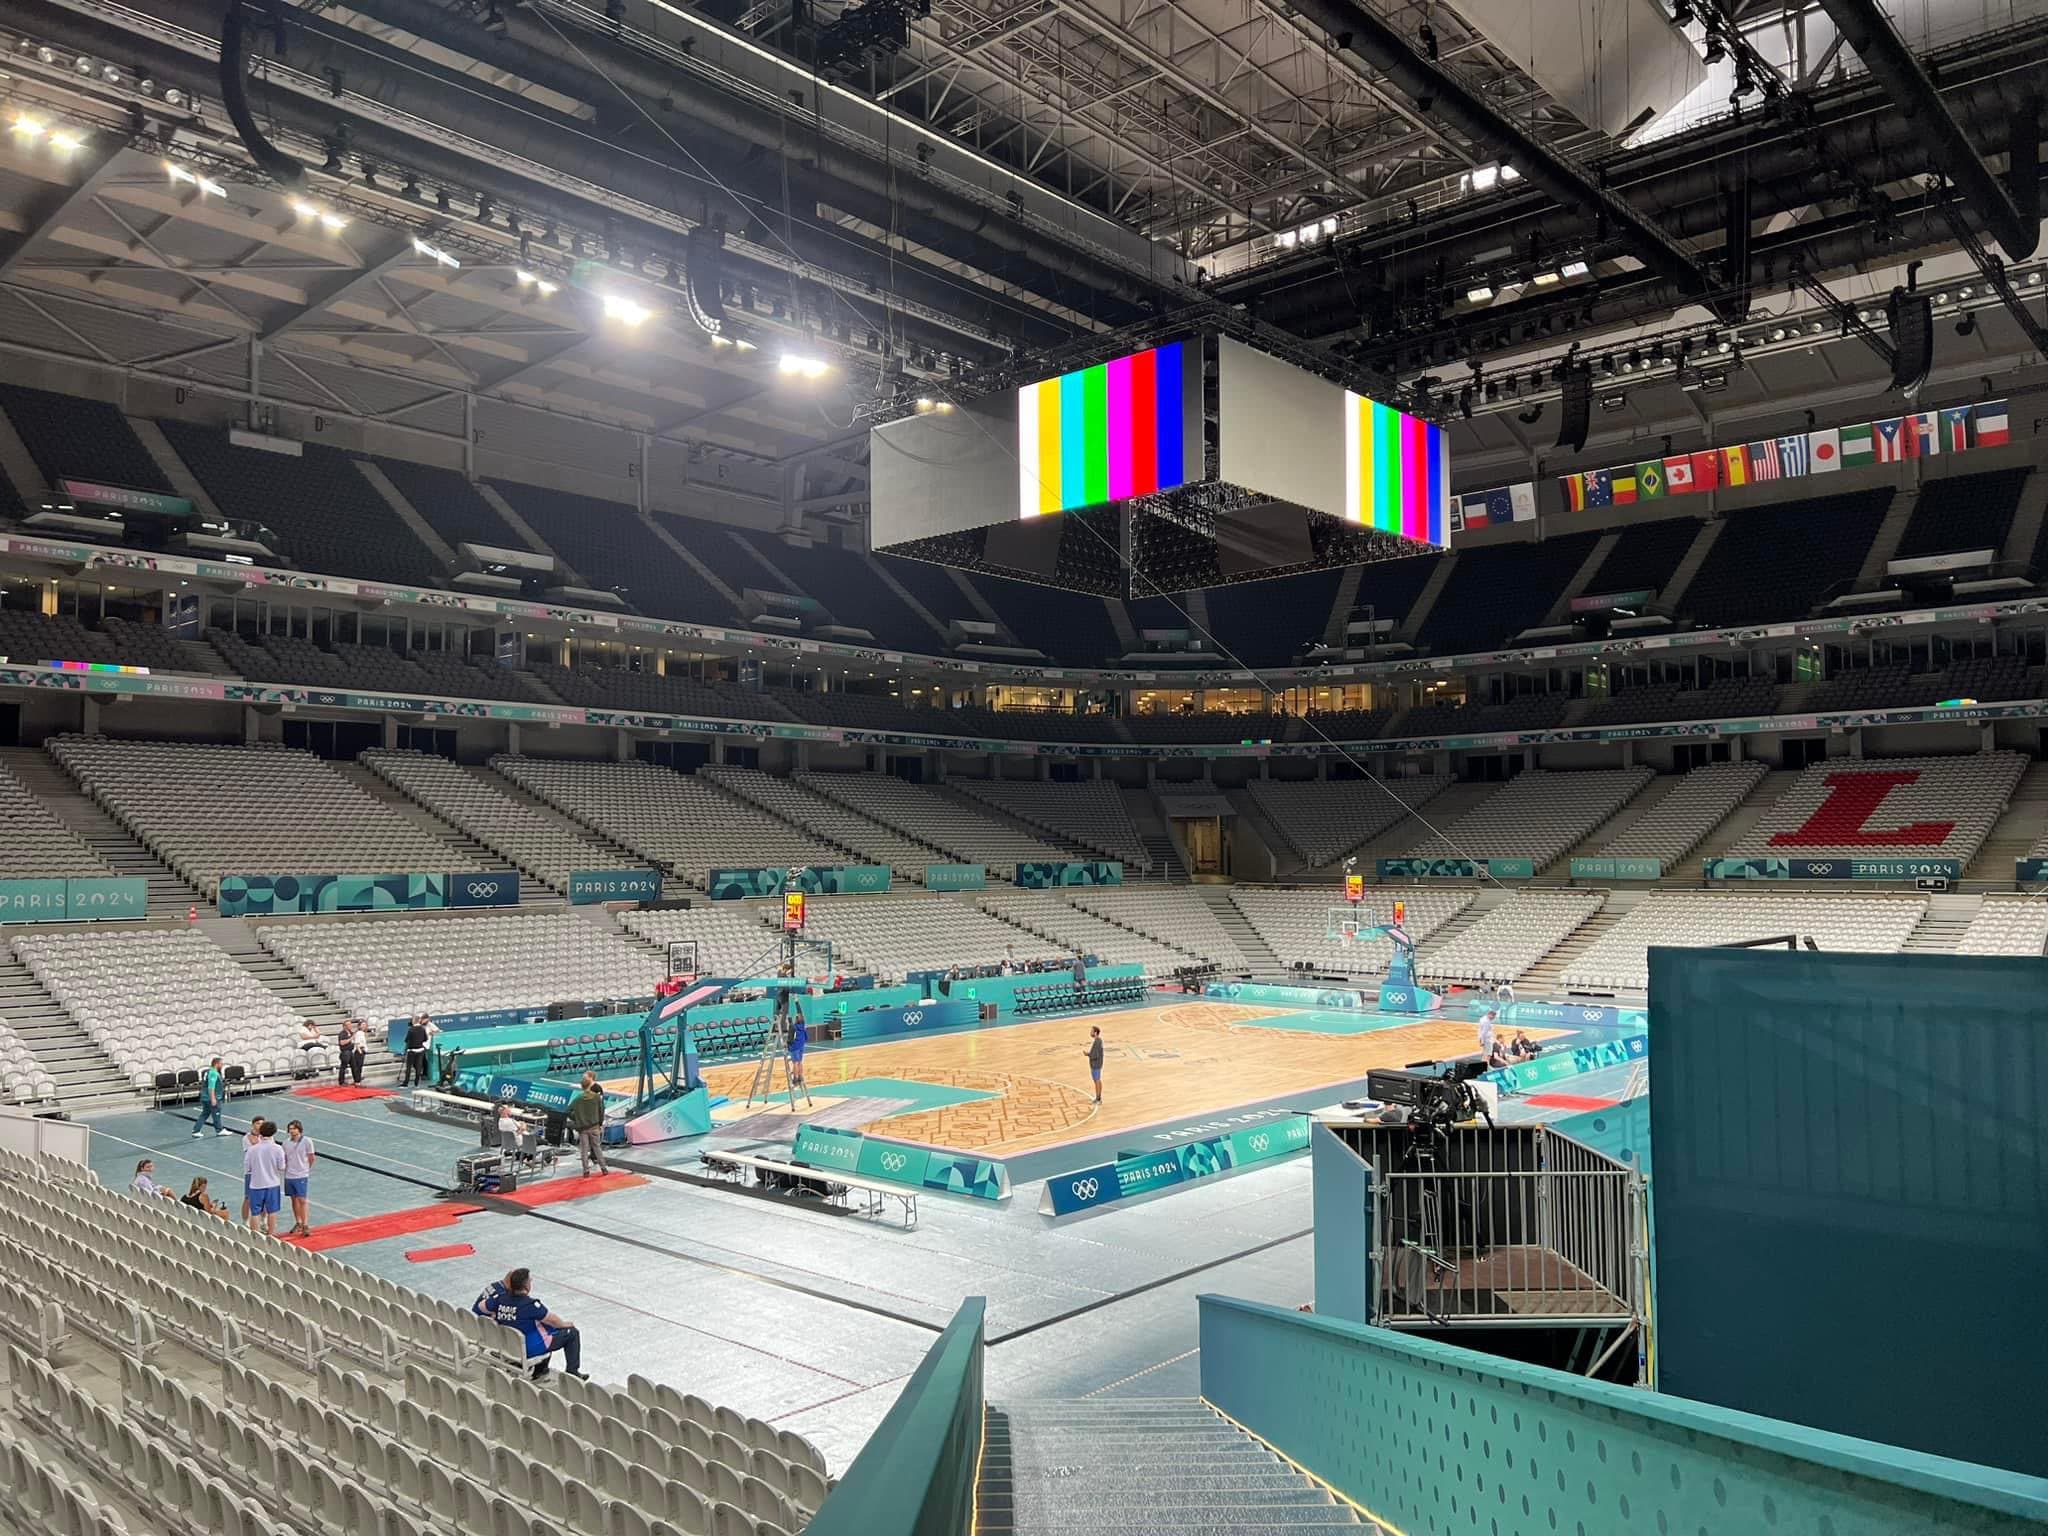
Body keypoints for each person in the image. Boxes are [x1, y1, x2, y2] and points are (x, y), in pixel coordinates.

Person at [473, 1267, 584, 1378]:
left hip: (509, 1346)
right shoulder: (530, 1305)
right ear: (526, 1286)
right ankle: (572, 1372)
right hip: (529, 1349)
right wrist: (564, 1324)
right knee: (571, 1333)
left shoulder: (500, 1299)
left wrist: (496, 1313)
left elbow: (481, 1307)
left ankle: (539, 1369)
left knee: (545, 1329)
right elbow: (552, 1320)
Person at [244, 1119, 287, 1237]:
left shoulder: (252, 1149)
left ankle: (255, 1237)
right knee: (272, 1211)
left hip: (256, 1185)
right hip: (272, 1184)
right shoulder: (277, 1148)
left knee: (255, 1212)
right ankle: (271, 1235)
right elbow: (282, 1167)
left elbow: (248, 1168)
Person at [567, 1075, 608, 1178]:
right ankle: (604, 1168)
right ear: (590, 1085)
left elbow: (568, 1111)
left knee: (584, 1150)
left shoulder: (577, 1099)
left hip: (583, 1128)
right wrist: (600, 1123)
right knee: (597, 1147)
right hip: (594, 1127)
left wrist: (577, 1118)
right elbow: (601, 1111)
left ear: (581, 1087)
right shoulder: (596, 1097)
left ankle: (586, 1171)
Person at [282, 1120, 317, 1237]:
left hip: (301, 1175)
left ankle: (305, 1225)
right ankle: (298, 1222)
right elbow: (285, 1158)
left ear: (299, 1129)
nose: (292, 1131)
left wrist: (305, 1169)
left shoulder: (307, 1141)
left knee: (302, 1200)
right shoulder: (285, 1143)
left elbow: (311, 1157)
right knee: (293, 1200)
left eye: (294, 1128)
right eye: (290, 1129)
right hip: (289, 1175)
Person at [192, 1056, 228, 1137]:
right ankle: (219, 1130)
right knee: (216, 1114)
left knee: (205, 1114)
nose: (222, 1065)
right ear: (216, 1064)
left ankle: (196, 1130)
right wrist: (213, 1098)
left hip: (205, 1097)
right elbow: (211, 1087)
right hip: (211, 1097)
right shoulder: (213, 1073)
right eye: (221, 1064)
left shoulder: (208, 1072)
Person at [401, 1013, 431, 1087]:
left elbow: (406, 1040)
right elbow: (425, 1039)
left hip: (411, 1050)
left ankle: (406, 1083)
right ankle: (416, 1083)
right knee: (418, 1067)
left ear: (414, 1021)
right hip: (420, 1050)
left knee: (409, 1067)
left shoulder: (411, 1029)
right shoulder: (422, 1029)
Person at [336, 1019, 367, 1087]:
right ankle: (341, 1081)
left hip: (351, 1051)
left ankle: (356, 1081)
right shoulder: (342, 1033)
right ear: (344, 1026)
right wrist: (351, 1038)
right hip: (345, 1052)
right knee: (343, 1067)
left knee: (354, 1067)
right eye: (348, 1025)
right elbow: (342, 1043)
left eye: (350, 1024)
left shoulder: (351, 1032)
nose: (350, 1026)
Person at [1085, 1025, 1104, 1104]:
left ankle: (1098, 1098)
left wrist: (1088, 1054)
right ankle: (1098, 1097)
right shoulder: (1098, 1041)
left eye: (1092, 1031)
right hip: (1097, 1064)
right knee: (1097, 1080)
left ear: (1095, 1033)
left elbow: (1095, 1055)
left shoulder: (1097, 1042)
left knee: (1097, 1081)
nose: (1090, 1033)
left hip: (1096, 1065)